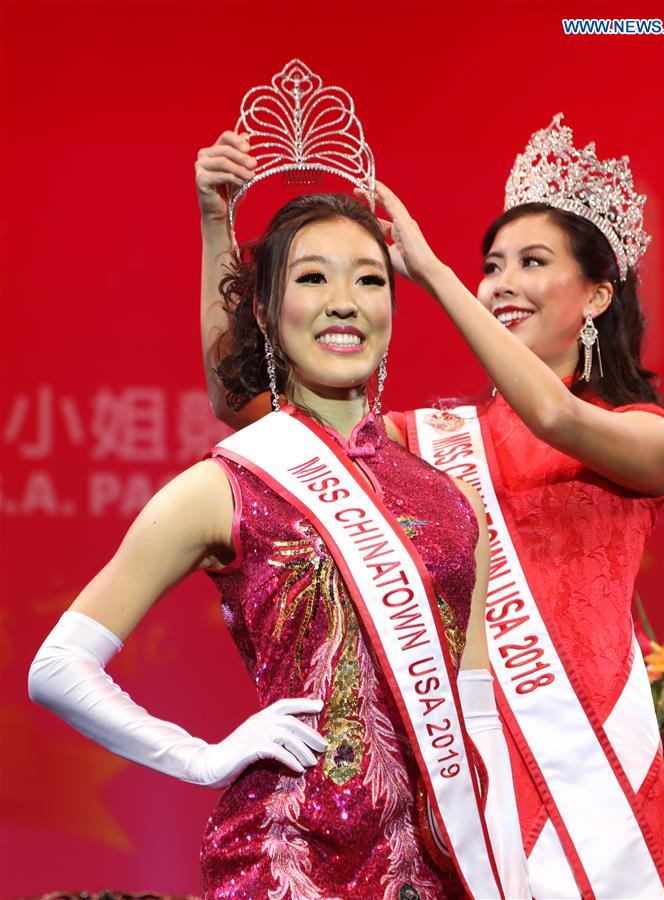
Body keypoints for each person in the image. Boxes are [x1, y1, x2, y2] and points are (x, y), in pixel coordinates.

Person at [196, 115, 664, 899]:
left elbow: (554, 417)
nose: (501, 284)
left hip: (591, 778)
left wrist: (429, 272)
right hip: (465, 765)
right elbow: (246, 405)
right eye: (492, 266)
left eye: (532, 262)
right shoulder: (426, 440)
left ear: (598, 294)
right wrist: (215, 223)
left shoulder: (651, 437)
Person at [29, 193, 529, 899]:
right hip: (287, 863)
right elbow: (57, 667)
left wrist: (510, 879)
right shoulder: (225, 485)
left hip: (437, 867)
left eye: (369, 279)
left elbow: (476, 714)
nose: (344, 302)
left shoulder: (452, 500)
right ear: (264, 312)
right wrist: (202, 758)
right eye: (313, 278)